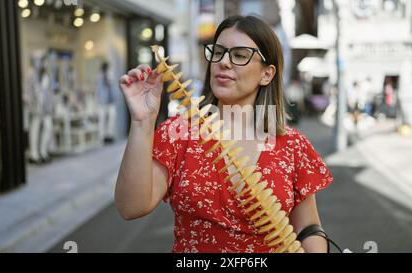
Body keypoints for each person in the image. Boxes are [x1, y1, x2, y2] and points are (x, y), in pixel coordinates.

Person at [115, 15, 333, 253]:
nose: (224, 62)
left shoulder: (292, 146)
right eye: (218, 52)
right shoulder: (180, 132)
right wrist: (142, 121)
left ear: (267, 74)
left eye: (239, 55)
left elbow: (309, 226)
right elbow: (132, 207)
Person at [96, 61, 117, 143]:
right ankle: (102, 137)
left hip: (111, 101)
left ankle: (109, 135)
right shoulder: (100, 76)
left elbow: (112, 86)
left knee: (111, 118)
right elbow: (99, 89)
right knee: (102, 120)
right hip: (102, 101)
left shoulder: (110, 75)